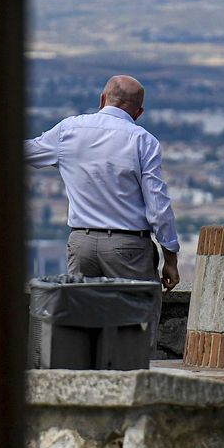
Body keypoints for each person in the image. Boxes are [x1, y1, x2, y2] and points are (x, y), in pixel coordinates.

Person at [25, 75, 181, 342]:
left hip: (81, 242)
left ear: (102, 99)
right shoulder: (143, 141)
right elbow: (158, 205)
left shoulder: (68, 130)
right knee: (135, 327)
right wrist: (171, 258)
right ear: (138, 112)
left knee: (78, 326)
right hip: (128, 247)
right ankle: (129, 378)